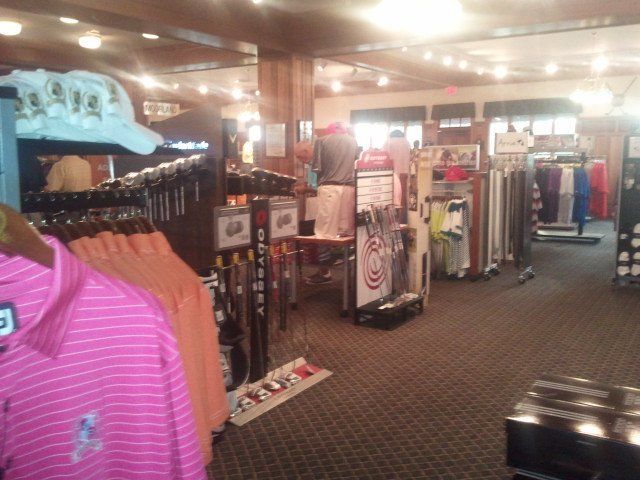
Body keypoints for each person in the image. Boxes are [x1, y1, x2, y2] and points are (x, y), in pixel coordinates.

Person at [306, 122, 357, 285]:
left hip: (329, 188)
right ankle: (351, 276)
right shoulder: (353, 141)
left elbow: (317, 168)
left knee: (323, 233)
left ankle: (325, 273)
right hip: (349, 189)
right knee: (347, 233)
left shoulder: (321, 141)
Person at [384, 130, 411, 213]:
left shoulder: (388, 142)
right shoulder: (406, 142)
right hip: (405, 173)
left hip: (392, 174)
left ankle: (393, 216)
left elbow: (384, 158)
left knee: (392, 198)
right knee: (404, 197)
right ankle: (404, 216)